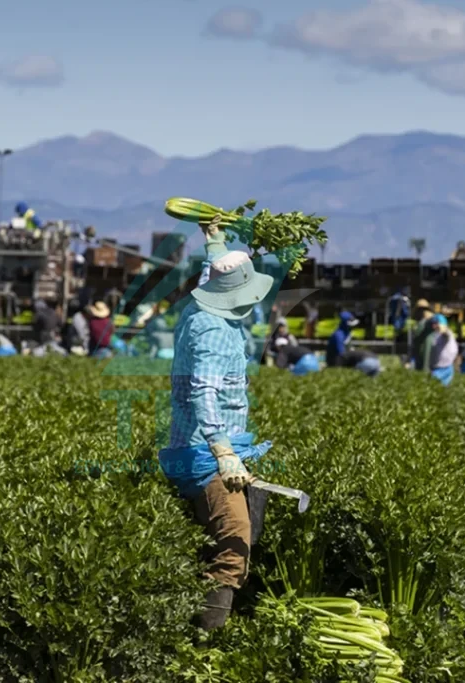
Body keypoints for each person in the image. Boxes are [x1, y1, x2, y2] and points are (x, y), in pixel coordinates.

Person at [156, 217, 274, 633]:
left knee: (231, 531)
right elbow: (201, 396)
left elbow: (215, 276)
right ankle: (204, 642)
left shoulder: (198, 307)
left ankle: (195, 619)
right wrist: (223, 452)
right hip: (203, 454)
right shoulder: (210, 333)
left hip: (207, 447)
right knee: (235, 543)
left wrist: (215, 243)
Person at [427, 314, 458, 386]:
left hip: (446, 368)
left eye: (436, 323)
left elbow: (446, 334)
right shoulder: (434, 334)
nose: (434, 326)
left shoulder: (447, 333)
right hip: (437, 368)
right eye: (433, 324)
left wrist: (443, 329)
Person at [409, 299, 435, 370]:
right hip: (418, 352)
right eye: (420, 310)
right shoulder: (417, 322)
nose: (422, 312)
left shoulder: (430, 321)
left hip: (426, 351)